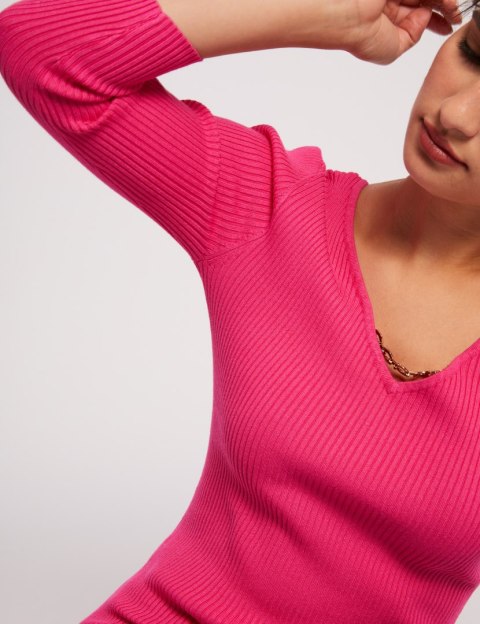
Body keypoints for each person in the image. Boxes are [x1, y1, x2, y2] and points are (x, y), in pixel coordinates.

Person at [0, 0, 479, 622]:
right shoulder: (269, 209)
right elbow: (40, 52)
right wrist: (331, 13)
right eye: (473, 53)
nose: (456, 114)